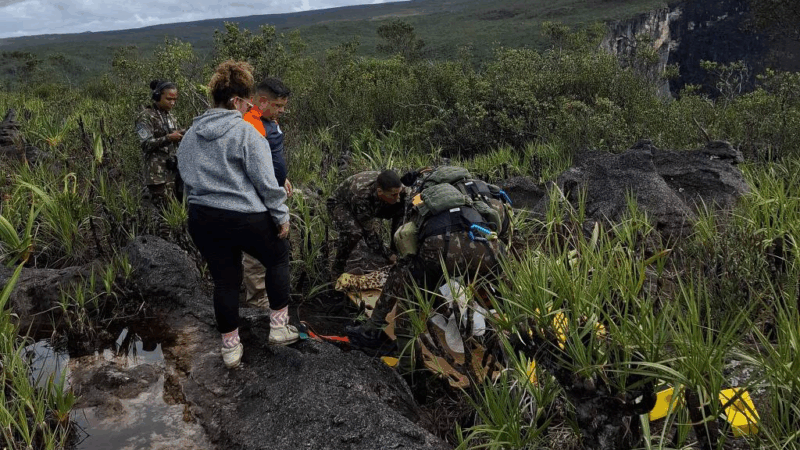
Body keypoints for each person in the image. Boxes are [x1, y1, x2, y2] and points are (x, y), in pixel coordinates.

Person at [177, 60, 299, 369]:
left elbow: (185, 177)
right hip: (245, 217)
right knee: (278, 256)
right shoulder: (246, 133)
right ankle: (279, 328)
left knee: (225, 280)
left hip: (203, 217)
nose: (248, 108)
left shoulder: (190, 135)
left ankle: (230, 349)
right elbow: (267, 183)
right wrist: (281, 216)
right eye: (246, 103)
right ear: (235, 101)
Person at [241, 78, 293, 309]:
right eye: (278, 105)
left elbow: (272, 156)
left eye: (283, 106)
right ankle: (256, 300)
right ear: (262, 101)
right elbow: (252, 166)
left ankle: (269, 294)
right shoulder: (250, 123)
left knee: (271, 244)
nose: (282, 110)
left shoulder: (269, 120)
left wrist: (283, 179)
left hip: (272, 191)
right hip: (257, 196)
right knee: (255, 250)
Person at [326, 169, 407, 279]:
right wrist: (387, 254)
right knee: (354, 232)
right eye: (394, 195)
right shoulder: (361, 196)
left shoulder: (396, 188)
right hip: (342, 204)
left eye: (399, 193)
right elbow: (369, 234)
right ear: (380, 191)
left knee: (402, 209)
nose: (398, 198)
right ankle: (338, 268)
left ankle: (395, 252)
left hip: (374, 201)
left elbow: (411, 198)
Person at [135, 80, 184, 207]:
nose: (172, 103)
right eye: (169, 99)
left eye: (175, 100)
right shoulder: (145, 117)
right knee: (163, 212)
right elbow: (145, 144)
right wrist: (168, 138)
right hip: (157, 177)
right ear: (157, 97)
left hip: (173, 174)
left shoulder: (171, 117)